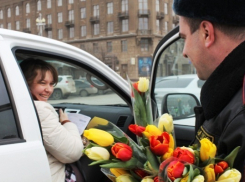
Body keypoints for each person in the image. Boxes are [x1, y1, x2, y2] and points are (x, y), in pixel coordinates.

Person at [172, 0, 245, 179]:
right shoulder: (230, 95)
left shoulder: (240, 114)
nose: (184, 52)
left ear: (206, 33)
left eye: (184, 38)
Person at [20, 58, 84, 182]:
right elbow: (73, 153)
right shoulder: (39, 109)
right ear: (26, 83)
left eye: (51, 84)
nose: (49, 90)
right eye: (42, 83)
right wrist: (67, 122)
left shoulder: (14, 106)